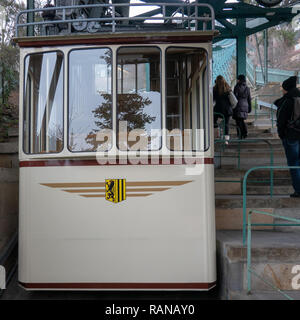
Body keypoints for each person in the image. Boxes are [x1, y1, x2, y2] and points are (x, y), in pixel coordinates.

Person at [274, 75, 300, 198]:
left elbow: (281, 120)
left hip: (291, 137)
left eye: (283, 88)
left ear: (287, 88)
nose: (282, 90)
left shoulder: (287, 101)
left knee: (294, 164)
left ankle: (298, 190)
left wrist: (281, 135)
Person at [213, 75, 233, 143]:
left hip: (218, 109)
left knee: (213, 120)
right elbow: (232, 99)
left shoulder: (215, 89)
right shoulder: (228, 88)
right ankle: (226, 139)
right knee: (226, 124)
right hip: (227, 110)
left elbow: (213, 100)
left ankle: (217, 131)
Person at [233, 74, 252, 139]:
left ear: (239, 80)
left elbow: (234, 98)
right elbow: (249, 99)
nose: (237, 80)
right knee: (241, 120)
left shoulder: (237, 87)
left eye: (238, 79)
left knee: (238, 122)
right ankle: (244, 133)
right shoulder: (247, 88)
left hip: (238, 106)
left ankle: (240, 135)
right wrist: (250, 108)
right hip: (245, 106)